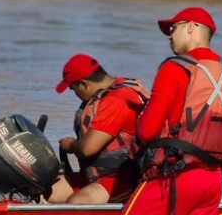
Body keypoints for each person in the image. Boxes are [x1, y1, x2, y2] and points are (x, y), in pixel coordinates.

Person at [96, 7, 222, 215]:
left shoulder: (173, 68)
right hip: (212, 182)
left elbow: (148, 129)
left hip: (174, 177)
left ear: (191, 27)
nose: (169, 36)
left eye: (173, 29)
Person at [49, 53, 149, 204]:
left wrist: (69, 144)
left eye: (73, 89)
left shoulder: (117, 99)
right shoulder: (112, 90)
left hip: (123, 178)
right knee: (47, 191)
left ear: (84, 84)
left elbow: (88, 148)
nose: (75, 94)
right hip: (101, 174)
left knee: (77, 202)